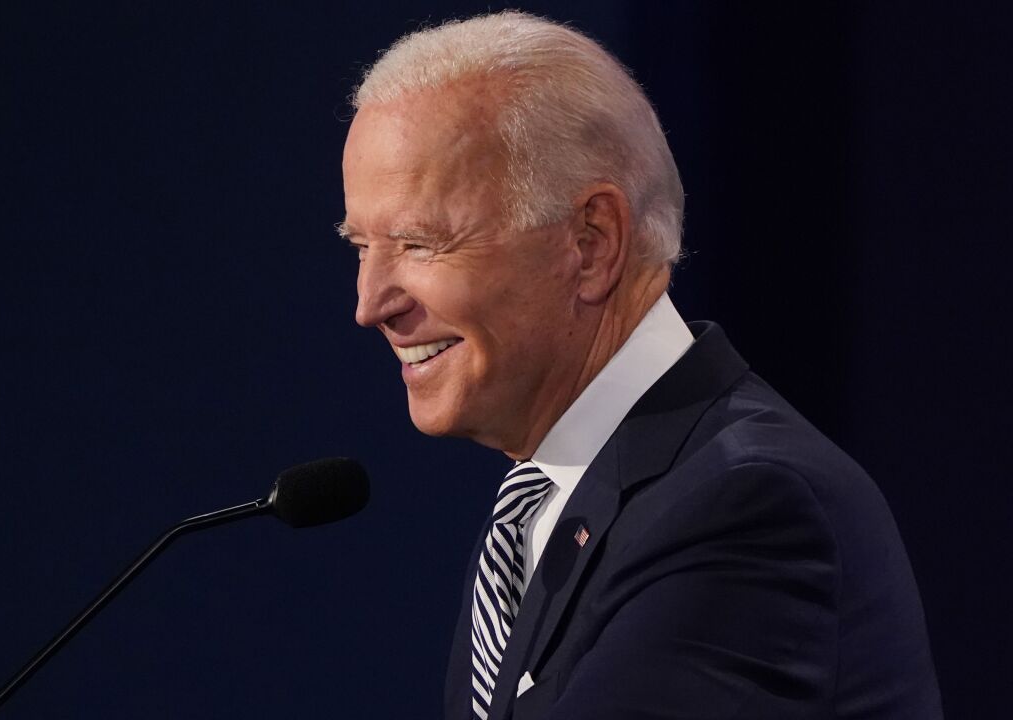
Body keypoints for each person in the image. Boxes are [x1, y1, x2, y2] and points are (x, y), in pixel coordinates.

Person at [339, 11, 941, 720]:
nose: (371, 303)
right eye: (360, 247)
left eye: (417, 243)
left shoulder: (744, 506)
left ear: (590, 244)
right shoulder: (548, 506)